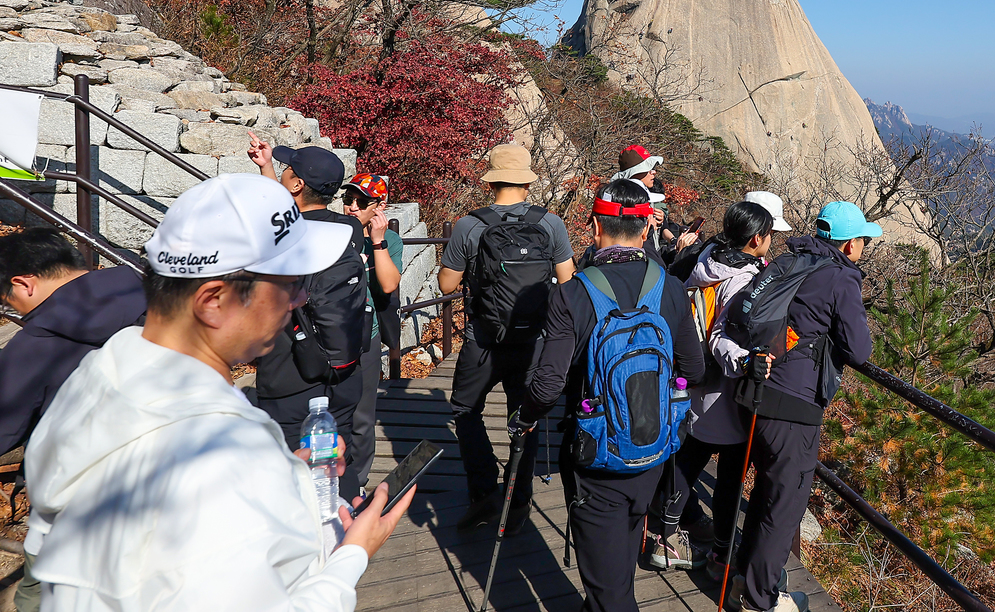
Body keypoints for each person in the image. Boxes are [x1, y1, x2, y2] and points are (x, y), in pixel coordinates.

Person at [22, 173, 414, 611]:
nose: (300, 299)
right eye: (289, 284)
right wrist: (352, 556)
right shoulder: (221, 455)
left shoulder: (99, 373)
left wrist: (289, 477)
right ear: (213, 300)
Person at [515, 179, 705, 612]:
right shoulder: (670, 288)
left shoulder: (572, 294)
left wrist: (523, 417)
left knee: (609, 591)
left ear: (595, 227)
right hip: (653, 450)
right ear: (645, 231)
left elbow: (547, 385)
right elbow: (694, 370)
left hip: (594, 453)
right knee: (616, 566)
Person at [727, 201, 878, 612]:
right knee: (785, 503)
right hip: (794, 405)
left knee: (767, 493)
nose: (865, 246)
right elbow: (859, 350)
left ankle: (747, 579)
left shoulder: (792, 259)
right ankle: (761, 599)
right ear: (849, 246)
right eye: (863, 239)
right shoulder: (840, 278)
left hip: (757, 389)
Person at [0, 228, 147, 612]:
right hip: (162, 478)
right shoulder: (147, 287)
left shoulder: (37, 344)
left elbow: (3, 425)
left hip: (80, 497)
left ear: (23, 284)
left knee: (41, 596)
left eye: (9, 300)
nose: (16, 310)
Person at [438, 143, 575, 533]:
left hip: (483, 338)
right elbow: (567, 281)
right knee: (525, 417)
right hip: (534, 340)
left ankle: (483, 494)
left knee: (466, 410)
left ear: (492, 180)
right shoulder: (550, 223)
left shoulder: (470, 225)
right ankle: (518, 501)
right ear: (527, 182)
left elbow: (447, 284)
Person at [647, 199, 777, 575]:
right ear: (756, 239)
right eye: (769, 235)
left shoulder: (706, 258)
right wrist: (745, 362)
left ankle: (667, 533)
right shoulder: (745, 280)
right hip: (725, 387)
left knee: (688, 457)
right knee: (730, 476)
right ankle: (721, 553)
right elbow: (725, 332)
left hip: (690, 376)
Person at [249, 134, 369, 499]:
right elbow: (296, 214)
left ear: (298, 185)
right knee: (336, 459)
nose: (282, 176)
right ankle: (347, 527)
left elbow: (280, 219)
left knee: (290, 469)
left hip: (290, 376)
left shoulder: (275, 239)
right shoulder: (349, 231)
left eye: (287, 172)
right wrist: (269, 168)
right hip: (344, 370)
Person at [341, 172, 403, 493]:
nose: (352, 207)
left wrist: (377, 240)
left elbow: (390, 284)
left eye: (361, 202)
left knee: (363, 415)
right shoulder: (332, 231)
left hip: (367, 334)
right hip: (331, 333)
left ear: (379, 206)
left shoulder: (388, 241)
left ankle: (358, 482)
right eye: (348, 200)